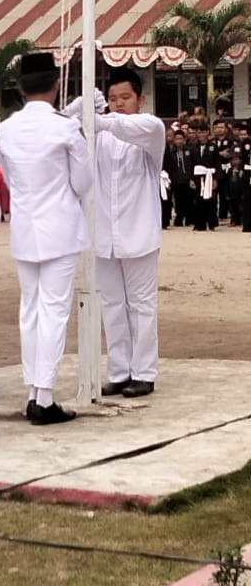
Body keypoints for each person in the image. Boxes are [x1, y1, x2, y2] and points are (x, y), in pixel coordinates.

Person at [0, 53, 92, 425]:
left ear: (20, 88)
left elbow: (6, 178)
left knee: (30, 311)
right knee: (53, 311)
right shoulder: (64, 127)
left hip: (25, 228)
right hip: (61, 228)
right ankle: (45, 397)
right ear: (55, 86)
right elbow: (83, 182)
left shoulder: (7, 128)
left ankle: (34, 390)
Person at [85, 68, 165, 398]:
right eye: (113, 99)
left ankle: (144, 372)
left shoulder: (151, 130)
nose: (118, 105)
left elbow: (136, 127)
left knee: (142, 306)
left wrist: (101, 119)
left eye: (125, 98)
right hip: (104, 235)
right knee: (112, 306)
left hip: (139, 233)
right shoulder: (98, 136)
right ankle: (119, 370)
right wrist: (84, 109)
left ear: (140, 99)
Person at [169, 130, 194, 227]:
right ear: (174, 140)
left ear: (184, 139)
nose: (179, 141)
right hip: (176, 180)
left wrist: (192, 178)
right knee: (178, 200)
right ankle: (179, 218)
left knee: (189, 200)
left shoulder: (189, 150)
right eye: (177, 139)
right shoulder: (171, 152)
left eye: (181, 139)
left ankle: (189, 219)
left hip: (188, 179)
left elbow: (192, 164)